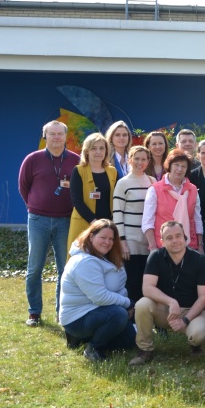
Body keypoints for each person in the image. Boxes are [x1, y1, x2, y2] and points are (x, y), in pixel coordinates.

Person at [18, 120, 81, 326]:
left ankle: (61, 312)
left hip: (65, 220)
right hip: (38, 220)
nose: (56, 137)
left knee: (65, 268)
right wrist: (35, 206)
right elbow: (23, 186)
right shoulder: (33, 159)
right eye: (51, 134)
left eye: (59, 134)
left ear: (65, 136)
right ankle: (34, 313)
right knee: (34, 268)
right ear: (45, 136)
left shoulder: (76, 160)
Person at [129, 221, 205, 366]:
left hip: (191, 311)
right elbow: (147, 288)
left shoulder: (200, 260)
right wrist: (171, 302)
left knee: (198, 335)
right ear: (162, 242)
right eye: (169, 238)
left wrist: (185, 320)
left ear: (185, 237)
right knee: (142, 304)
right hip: (164, 310)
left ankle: (194, 343)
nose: (174, 241)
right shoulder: (155, 257)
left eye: (178, 236)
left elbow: (204, 297)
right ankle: (145, 349)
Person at [59, 219, 136, 362]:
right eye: (103, 237)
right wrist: (128, 304)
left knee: (130, 340)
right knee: (118, 315)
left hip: (98, 311)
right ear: (91, 236)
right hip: (78, 318)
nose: (107, 242)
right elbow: (100, 297)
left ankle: (83, 339)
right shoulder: (84, 261)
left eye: (111, 239)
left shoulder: (104, 257)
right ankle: (93, 348)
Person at [112, 145, 157, 303]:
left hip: (149, 240)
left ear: (148, 161)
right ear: (130, 160)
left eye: (143, 159)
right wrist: (122, 241)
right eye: (136, 158)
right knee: (132, 279)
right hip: (130, 240)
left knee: (149, 279)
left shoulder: (153, 181)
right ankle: (132, 317)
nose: (140, 162)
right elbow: (118, 213)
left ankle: (148, 314)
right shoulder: (122, 183)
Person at [142, 148, 204, 254]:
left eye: (183, 166)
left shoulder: (193, 190)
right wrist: (153, 248)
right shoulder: (155, 189)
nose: (179, 169)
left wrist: (200, 246)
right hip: (162, 247)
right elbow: (147, 222)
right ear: (169, 165)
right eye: (176, 165)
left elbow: (197, 219)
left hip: (189, 247)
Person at [66, 132, 117, 260]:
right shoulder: (78, 170)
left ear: (106, 151)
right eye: (93, 148)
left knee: (106, 262)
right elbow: (77, 201)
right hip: (84, 224)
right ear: (87, 151)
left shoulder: (112, 171)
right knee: (79, 260)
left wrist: (107, 224)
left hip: (107, 225)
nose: (98, 152)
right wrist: (95, 223)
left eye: (101, 148)